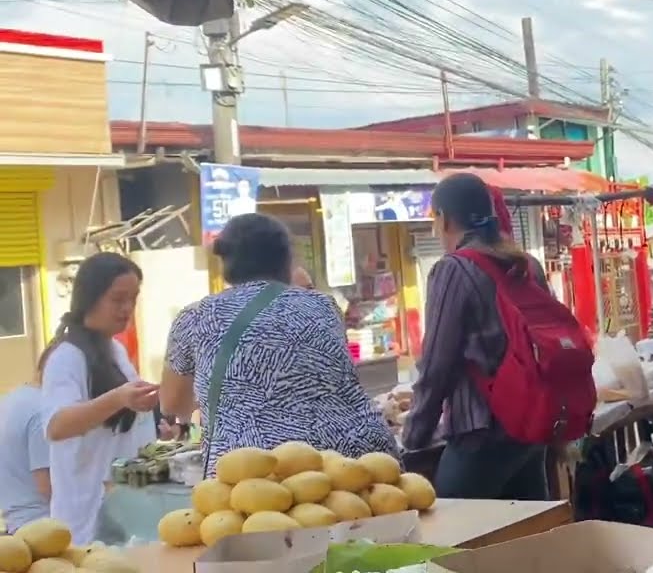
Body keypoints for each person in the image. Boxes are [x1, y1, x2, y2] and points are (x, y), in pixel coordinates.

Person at [160, 213, 397, 478]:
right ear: (287, 260)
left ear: (225, 262)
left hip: (259, 472)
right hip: (358, 460)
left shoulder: (196, 317)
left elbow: (172, 404)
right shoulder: (324, 306)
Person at [401, 174, 551, 500]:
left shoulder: (454, 269)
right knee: (532, 538)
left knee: (455, 537)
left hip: (481, 433)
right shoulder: (527, 263)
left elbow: (437, 365)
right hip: (531, 424)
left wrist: (413, 438)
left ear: (443, 218)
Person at [42, 252, 158, 544]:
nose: (127, 309)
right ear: (89, 298)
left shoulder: (114, 351)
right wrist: (119, 398)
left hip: (121, 512)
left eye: (133, 299)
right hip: (86, 521)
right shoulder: (66, 356)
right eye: (118, 299)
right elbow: (58, 425)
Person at [0, 346, 54, 532]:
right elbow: (47, 485)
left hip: (15, 524)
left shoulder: (8, 401)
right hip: (46, 528)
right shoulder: (44, 411)